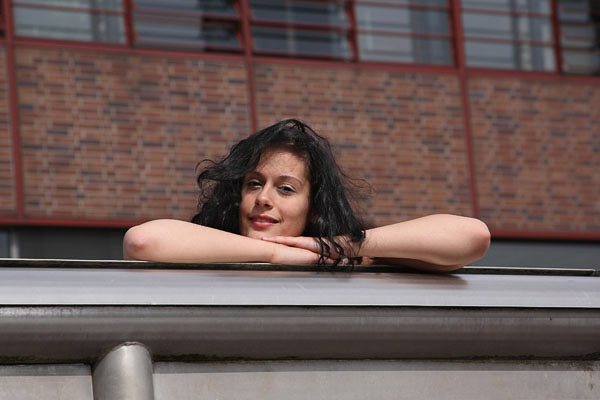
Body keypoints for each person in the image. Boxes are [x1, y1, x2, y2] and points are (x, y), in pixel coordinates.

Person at [123, 119, 490, 271]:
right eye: (254, 183)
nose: (263, 198)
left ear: (315, 207)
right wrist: (277, 254)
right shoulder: (204, 250)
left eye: (286, 188)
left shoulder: (341, 259)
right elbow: (142, 241)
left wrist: (337, 247)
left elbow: (473, 236)